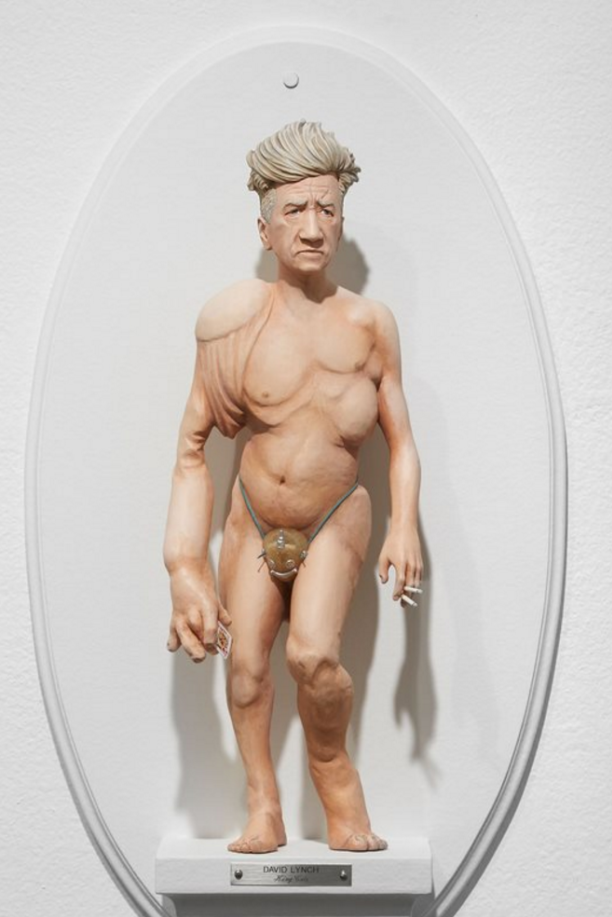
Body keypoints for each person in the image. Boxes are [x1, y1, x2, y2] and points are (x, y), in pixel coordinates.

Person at [164, 121, 422, 854]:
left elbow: (402, 444)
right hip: (254, 518)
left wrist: (404, 524)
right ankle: (263, 805)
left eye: (327, 210)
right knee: (247, 668)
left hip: (335, 516)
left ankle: (334, 778)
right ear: (265, 228)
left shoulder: (370, 325)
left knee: (311, 656)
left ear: (341, 218)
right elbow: (190, 450)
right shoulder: (235, 325)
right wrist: (184, 566)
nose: (312, 228)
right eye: (294, 211)